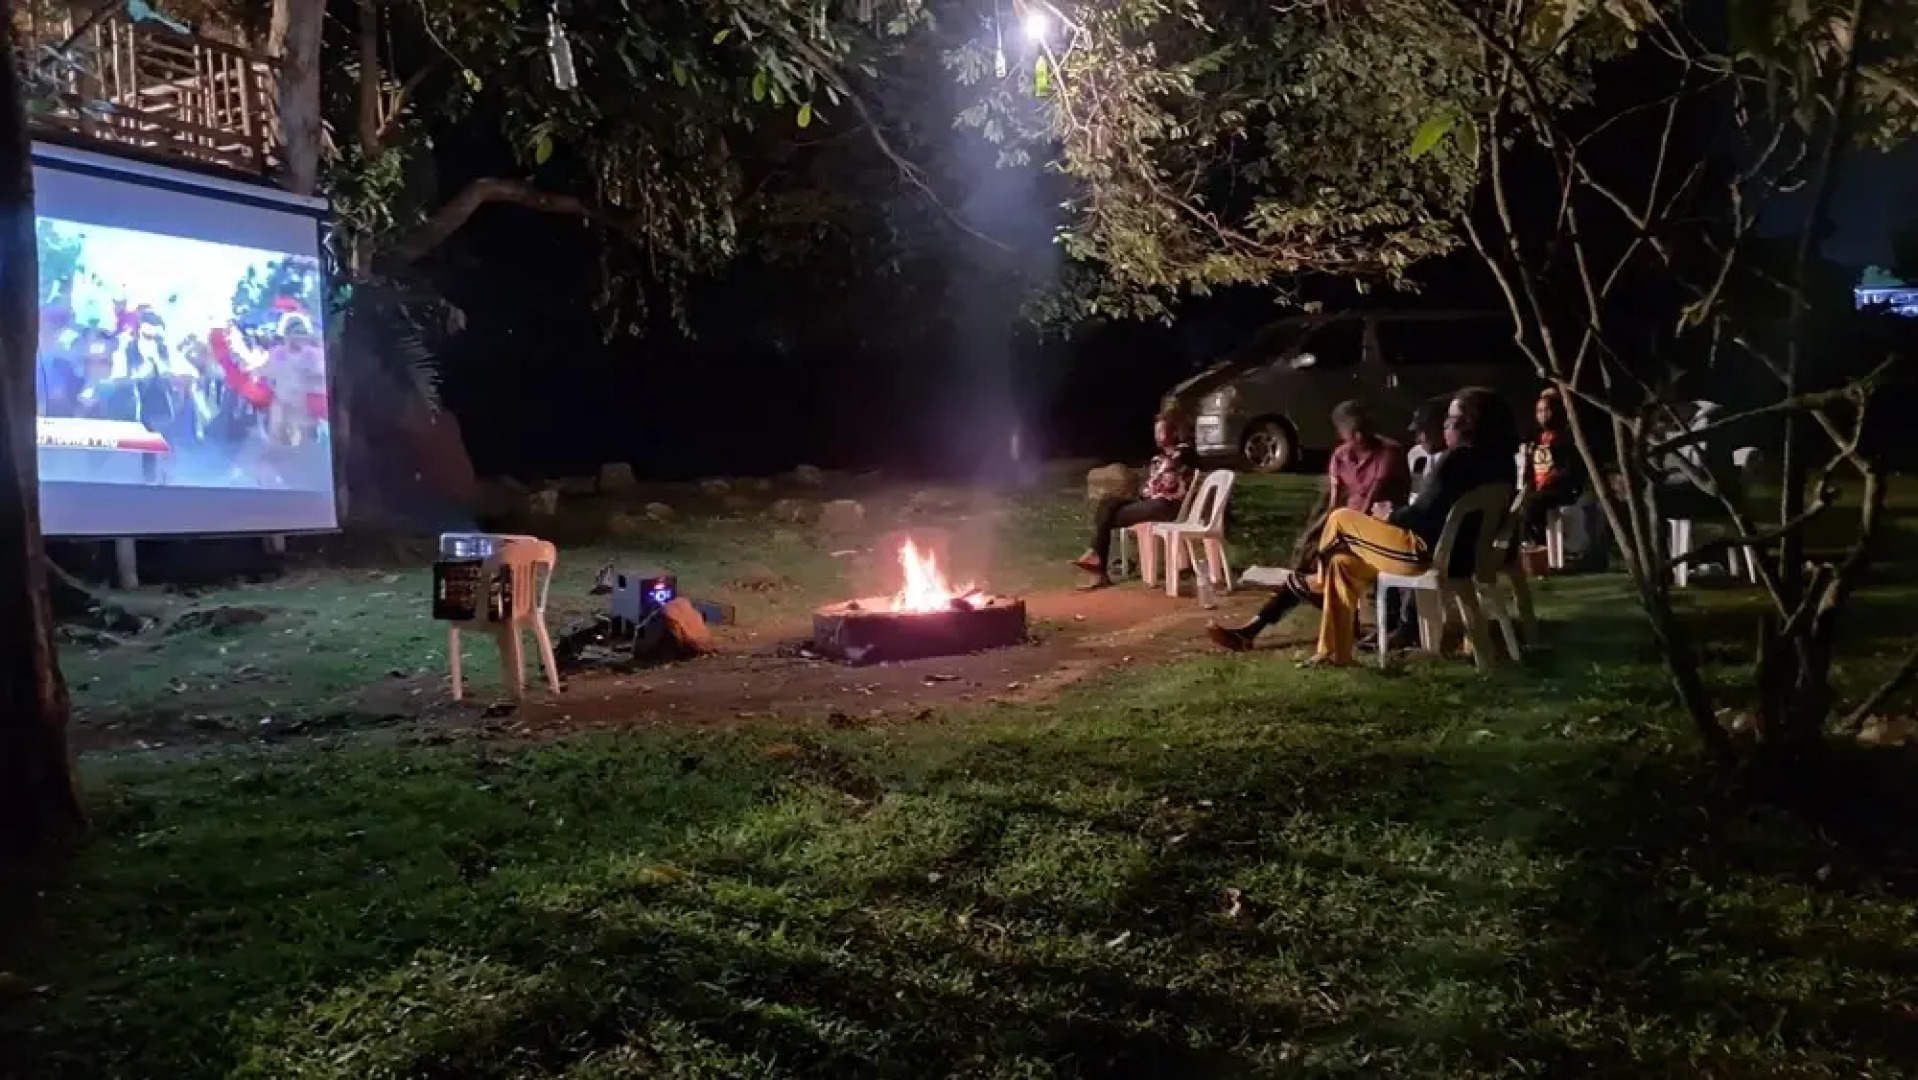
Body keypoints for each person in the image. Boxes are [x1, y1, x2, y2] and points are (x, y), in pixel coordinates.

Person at [1208, 387, 1518, 665]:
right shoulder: (1502, 462)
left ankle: (1317, 584)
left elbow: (1423, 515)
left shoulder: (1455, 461)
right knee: (1342, 565)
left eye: (1450, 420)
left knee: (1340, 518)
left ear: (1469, 425)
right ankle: (1334, 653)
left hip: (1423, 553)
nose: (1445, 426)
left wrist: (1390, 515)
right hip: (1462, 556)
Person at [1075, 411, 1201, 588]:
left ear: (1173, 432)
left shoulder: (1183, 453)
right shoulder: (1159, 459)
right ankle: (1095, 555)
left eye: (1161, 431)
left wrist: (1154, 480)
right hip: (1151, 502)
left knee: (1107, 517)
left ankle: (1097, 564)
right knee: (1108, 502)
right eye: (1156, 431)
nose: (1157, 436)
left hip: (1168, 505)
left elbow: (1169, 484)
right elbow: (1147, 486)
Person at [1522, 387, 1586, 544]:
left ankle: (1541, 545)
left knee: (1532, 505)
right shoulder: (1535, 439)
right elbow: (1530, 468)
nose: (1543, 414)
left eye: (1547, 410)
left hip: (1560, 490)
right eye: (1539, 411)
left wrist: (1552, 479)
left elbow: (1571, 469)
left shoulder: (1566, 438)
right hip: (1538, 489)